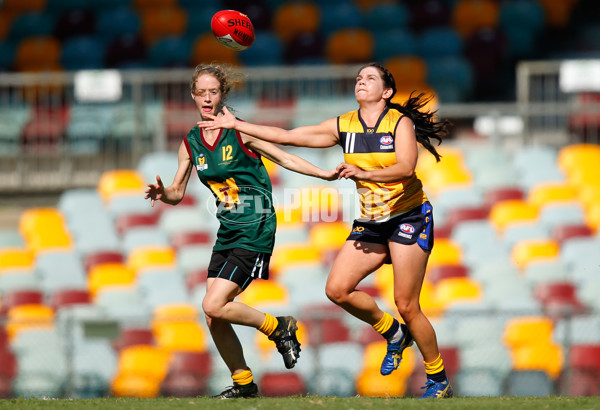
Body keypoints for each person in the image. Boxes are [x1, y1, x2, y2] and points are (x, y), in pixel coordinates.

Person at [197, 62, 454, 399]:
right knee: (337, 290)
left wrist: (361, 171)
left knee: (407, 304)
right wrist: (238, 124)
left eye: (370, 78)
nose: (361, 81)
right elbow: (290, 137)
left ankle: (439, 379)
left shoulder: (399, 122)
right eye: (359, 77)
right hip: (371, 220)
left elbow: (406, 166)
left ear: (387, 92)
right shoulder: (343, 125)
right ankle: (392, 332)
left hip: (408, 216)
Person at [145, 63, 338, 399]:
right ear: (192, 96)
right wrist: (164, 194)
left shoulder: (240, 130)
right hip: (228, 230)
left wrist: (324, 174)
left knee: (214, 303)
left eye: (213, 92)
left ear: (222, 96)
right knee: (213, 316)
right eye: (201, 92)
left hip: (256, 226)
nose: (207, 98)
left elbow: (284, 157)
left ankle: (279, 328)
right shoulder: (191, 141)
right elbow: (177, 192)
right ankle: (244, 383)